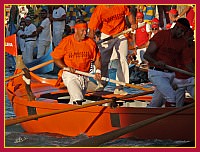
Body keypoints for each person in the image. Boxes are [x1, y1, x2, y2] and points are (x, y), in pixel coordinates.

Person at [88, 5, 136, 95]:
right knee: (104, 61)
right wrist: (90, 44)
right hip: (106, 35)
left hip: (121, 33)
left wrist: (133, 23)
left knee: (123, 58)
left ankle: (120, 86)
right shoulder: (100, 9)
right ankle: (102, 83)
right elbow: (92, 29)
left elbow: (129, 14)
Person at [51, 20, 101, 105]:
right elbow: (56, 58)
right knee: (78, 99)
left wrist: (98, 71)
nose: (85, 33)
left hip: (85, 76)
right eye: (82, 30)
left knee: (75, 100)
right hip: (70, 74)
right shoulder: (66, 41)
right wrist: (66, 67)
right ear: (76, 30)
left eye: (86, 30)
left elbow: (97, 58)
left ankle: (67, 114)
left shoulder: (91, 43)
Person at [144, 18, 191, 107]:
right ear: (176, 27)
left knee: (156, 103)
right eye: (181, 31)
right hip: (156, 73)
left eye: (184, 33)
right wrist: (156, 62)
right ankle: (173, 120)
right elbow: (146, 55)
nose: (182, 34)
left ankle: (147, 113)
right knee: (172, 97)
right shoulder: (161, 35)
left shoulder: (182, 42)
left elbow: (186, 62)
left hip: (172, 75)